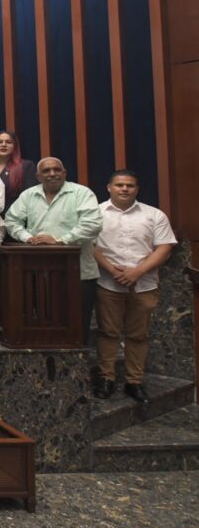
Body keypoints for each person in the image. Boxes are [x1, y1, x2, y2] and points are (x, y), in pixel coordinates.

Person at [91, 170, 176, 403]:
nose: (124, 189)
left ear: (137, 189)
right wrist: (111, 269)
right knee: (108, 333)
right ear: (109, 187)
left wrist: (137, 271)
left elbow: (164, 247)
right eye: (119, 185)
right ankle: (106, 378)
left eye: (129, 185)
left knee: (139, 335)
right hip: (108, 282)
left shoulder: (154, 215)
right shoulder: (95, 213)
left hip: (145, 283)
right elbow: (89, 246)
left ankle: (134, 382)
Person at [5, 157, 103, 341]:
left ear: (64, 173)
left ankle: (76, 366)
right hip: (38, 273)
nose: (52, 174)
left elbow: (92, 225)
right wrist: (28, 238)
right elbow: (11, 220)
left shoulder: (82, 193)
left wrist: (60, 241)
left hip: (78, 273)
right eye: (46, 171)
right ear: (38, 176)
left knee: (77, 326)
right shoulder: (28, 195)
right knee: (44, 325)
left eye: (56, 170)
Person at [0, 130, 37, 215]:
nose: (3, 145)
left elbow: (30, 196)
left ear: (15, 146)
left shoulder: (26, 166)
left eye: (8, 142)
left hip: (15, 217)